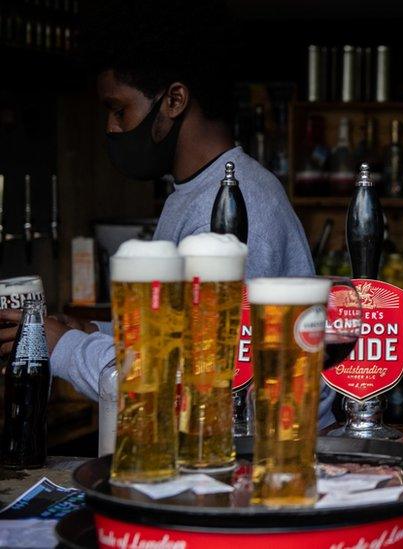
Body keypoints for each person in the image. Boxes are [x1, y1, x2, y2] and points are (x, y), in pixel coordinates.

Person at [0, 0, 338, 429]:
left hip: (257, 462)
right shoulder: (194, 192)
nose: (112, 128)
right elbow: (187, 336)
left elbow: (200, 384)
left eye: (119, 109)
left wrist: (65, 347)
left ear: (174, 100)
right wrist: (96, 332)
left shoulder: (234, 204)